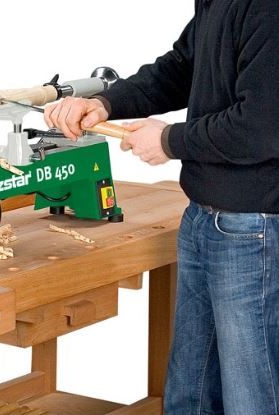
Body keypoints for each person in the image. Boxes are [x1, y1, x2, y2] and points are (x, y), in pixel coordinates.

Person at [44, 1, 279, 413]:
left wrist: (170, 140)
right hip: (204, 215)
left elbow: (261, 127)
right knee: (190, 392)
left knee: (250, 397)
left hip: (252, 227)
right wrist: (105, 103)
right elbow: (181, 67)